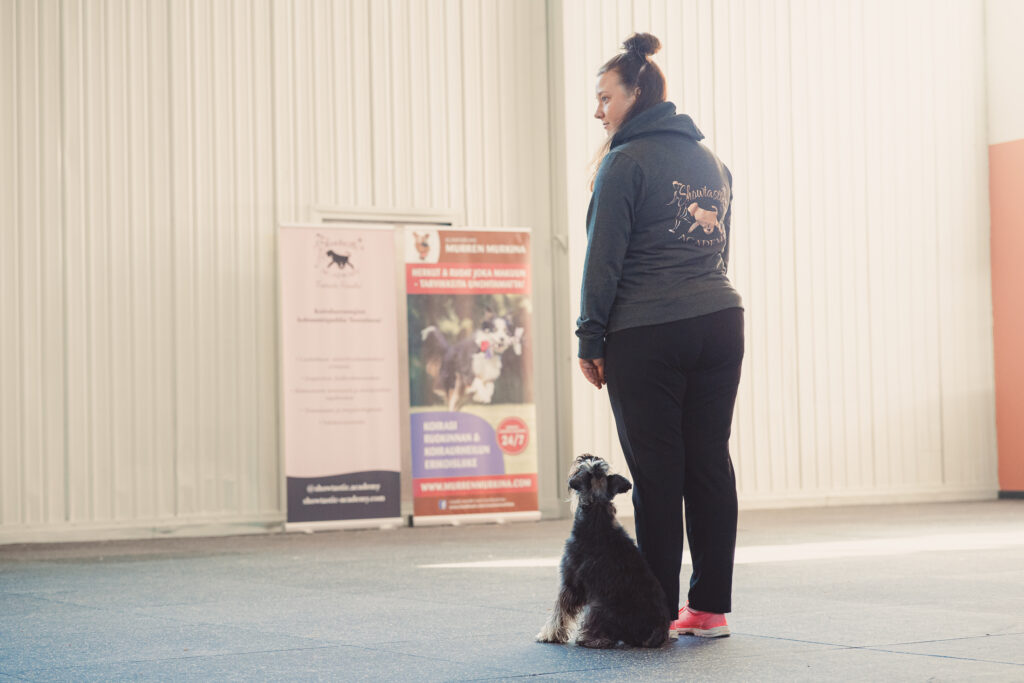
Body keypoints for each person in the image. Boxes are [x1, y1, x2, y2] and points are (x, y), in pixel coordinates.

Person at [575, 32, 744, 639]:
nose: (599, 111)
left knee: (658, 474)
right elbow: (719, 251)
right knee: (709, 465)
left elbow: (603, 259)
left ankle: (657, 613)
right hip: (720, 322)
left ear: (637, 94)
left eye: (606, 98)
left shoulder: (625, 162)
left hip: (648, 331)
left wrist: (590, 338)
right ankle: (710, 610)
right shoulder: (713, 163)